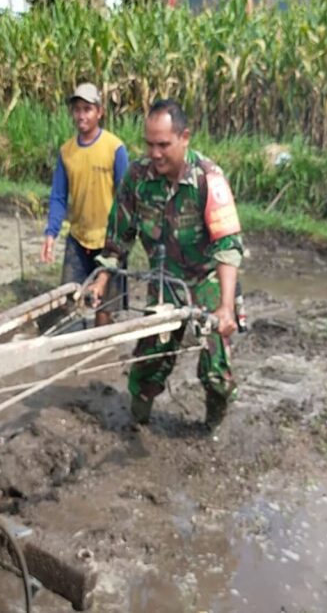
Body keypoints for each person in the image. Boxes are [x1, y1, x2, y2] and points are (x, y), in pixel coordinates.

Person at [87, 99, 243, 435]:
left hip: (206, 283)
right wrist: (100, 283)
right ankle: (137, 423)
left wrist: (225, 309)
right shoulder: (138, 178)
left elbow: (228, 247)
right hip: (165, 285)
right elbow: (118, 238)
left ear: (184, 137)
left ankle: (212, 426)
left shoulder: (208, 179)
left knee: (217, 373)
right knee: (148, 366)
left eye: (163, 145)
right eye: (149, 144)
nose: (154, 153)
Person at [40, 83, 129, 326]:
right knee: (71, 302)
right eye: (77, 109)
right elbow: (59, 196)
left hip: (108, 241)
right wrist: (51, 233)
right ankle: (74, 349)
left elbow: (126, 199)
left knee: (104, 308)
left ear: (99, 112)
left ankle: (101, 354)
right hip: (78, 238)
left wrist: (122, 240)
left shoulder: (114, 148)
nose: (81, 115)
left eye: (87, 109)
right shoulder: (67, 151)